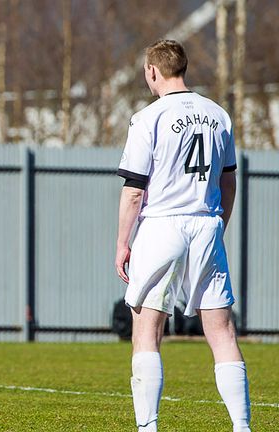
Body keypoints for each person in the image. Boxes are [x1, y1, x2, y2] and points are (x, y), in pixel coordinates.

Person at [115, 40, 250, 432]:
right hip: (206, 223)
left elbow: (135, 191)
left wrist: (123, 243)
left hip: (162, 224)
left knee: (147, 329)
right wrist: (218, 226)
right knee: (222, 330)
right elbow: (229, 182)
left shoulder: (148, 118)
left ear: (152, 71)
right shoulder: (219, 115)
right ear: (183, 68)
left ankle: (148, 426)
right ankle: (242, 426)